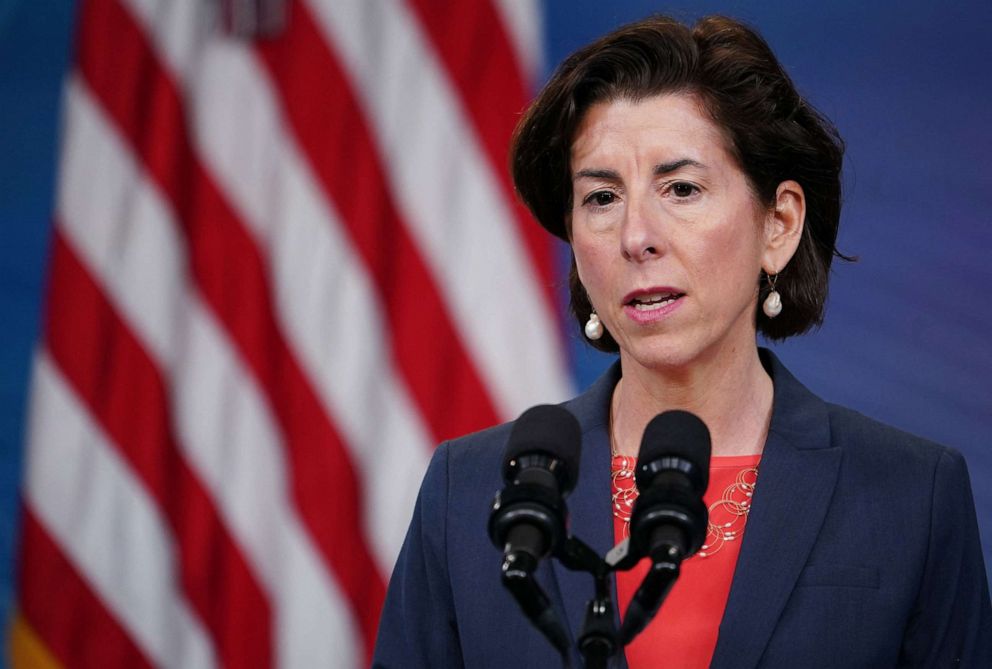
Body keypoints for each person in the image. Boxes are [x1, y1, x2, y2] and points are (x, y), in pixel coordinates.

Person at [372, 15, 992, 668]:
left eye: (681, 189)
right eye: (602, 197)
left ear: (778, 224)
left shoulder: (910, 496)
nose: (636, 235)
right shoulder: (467, 491)